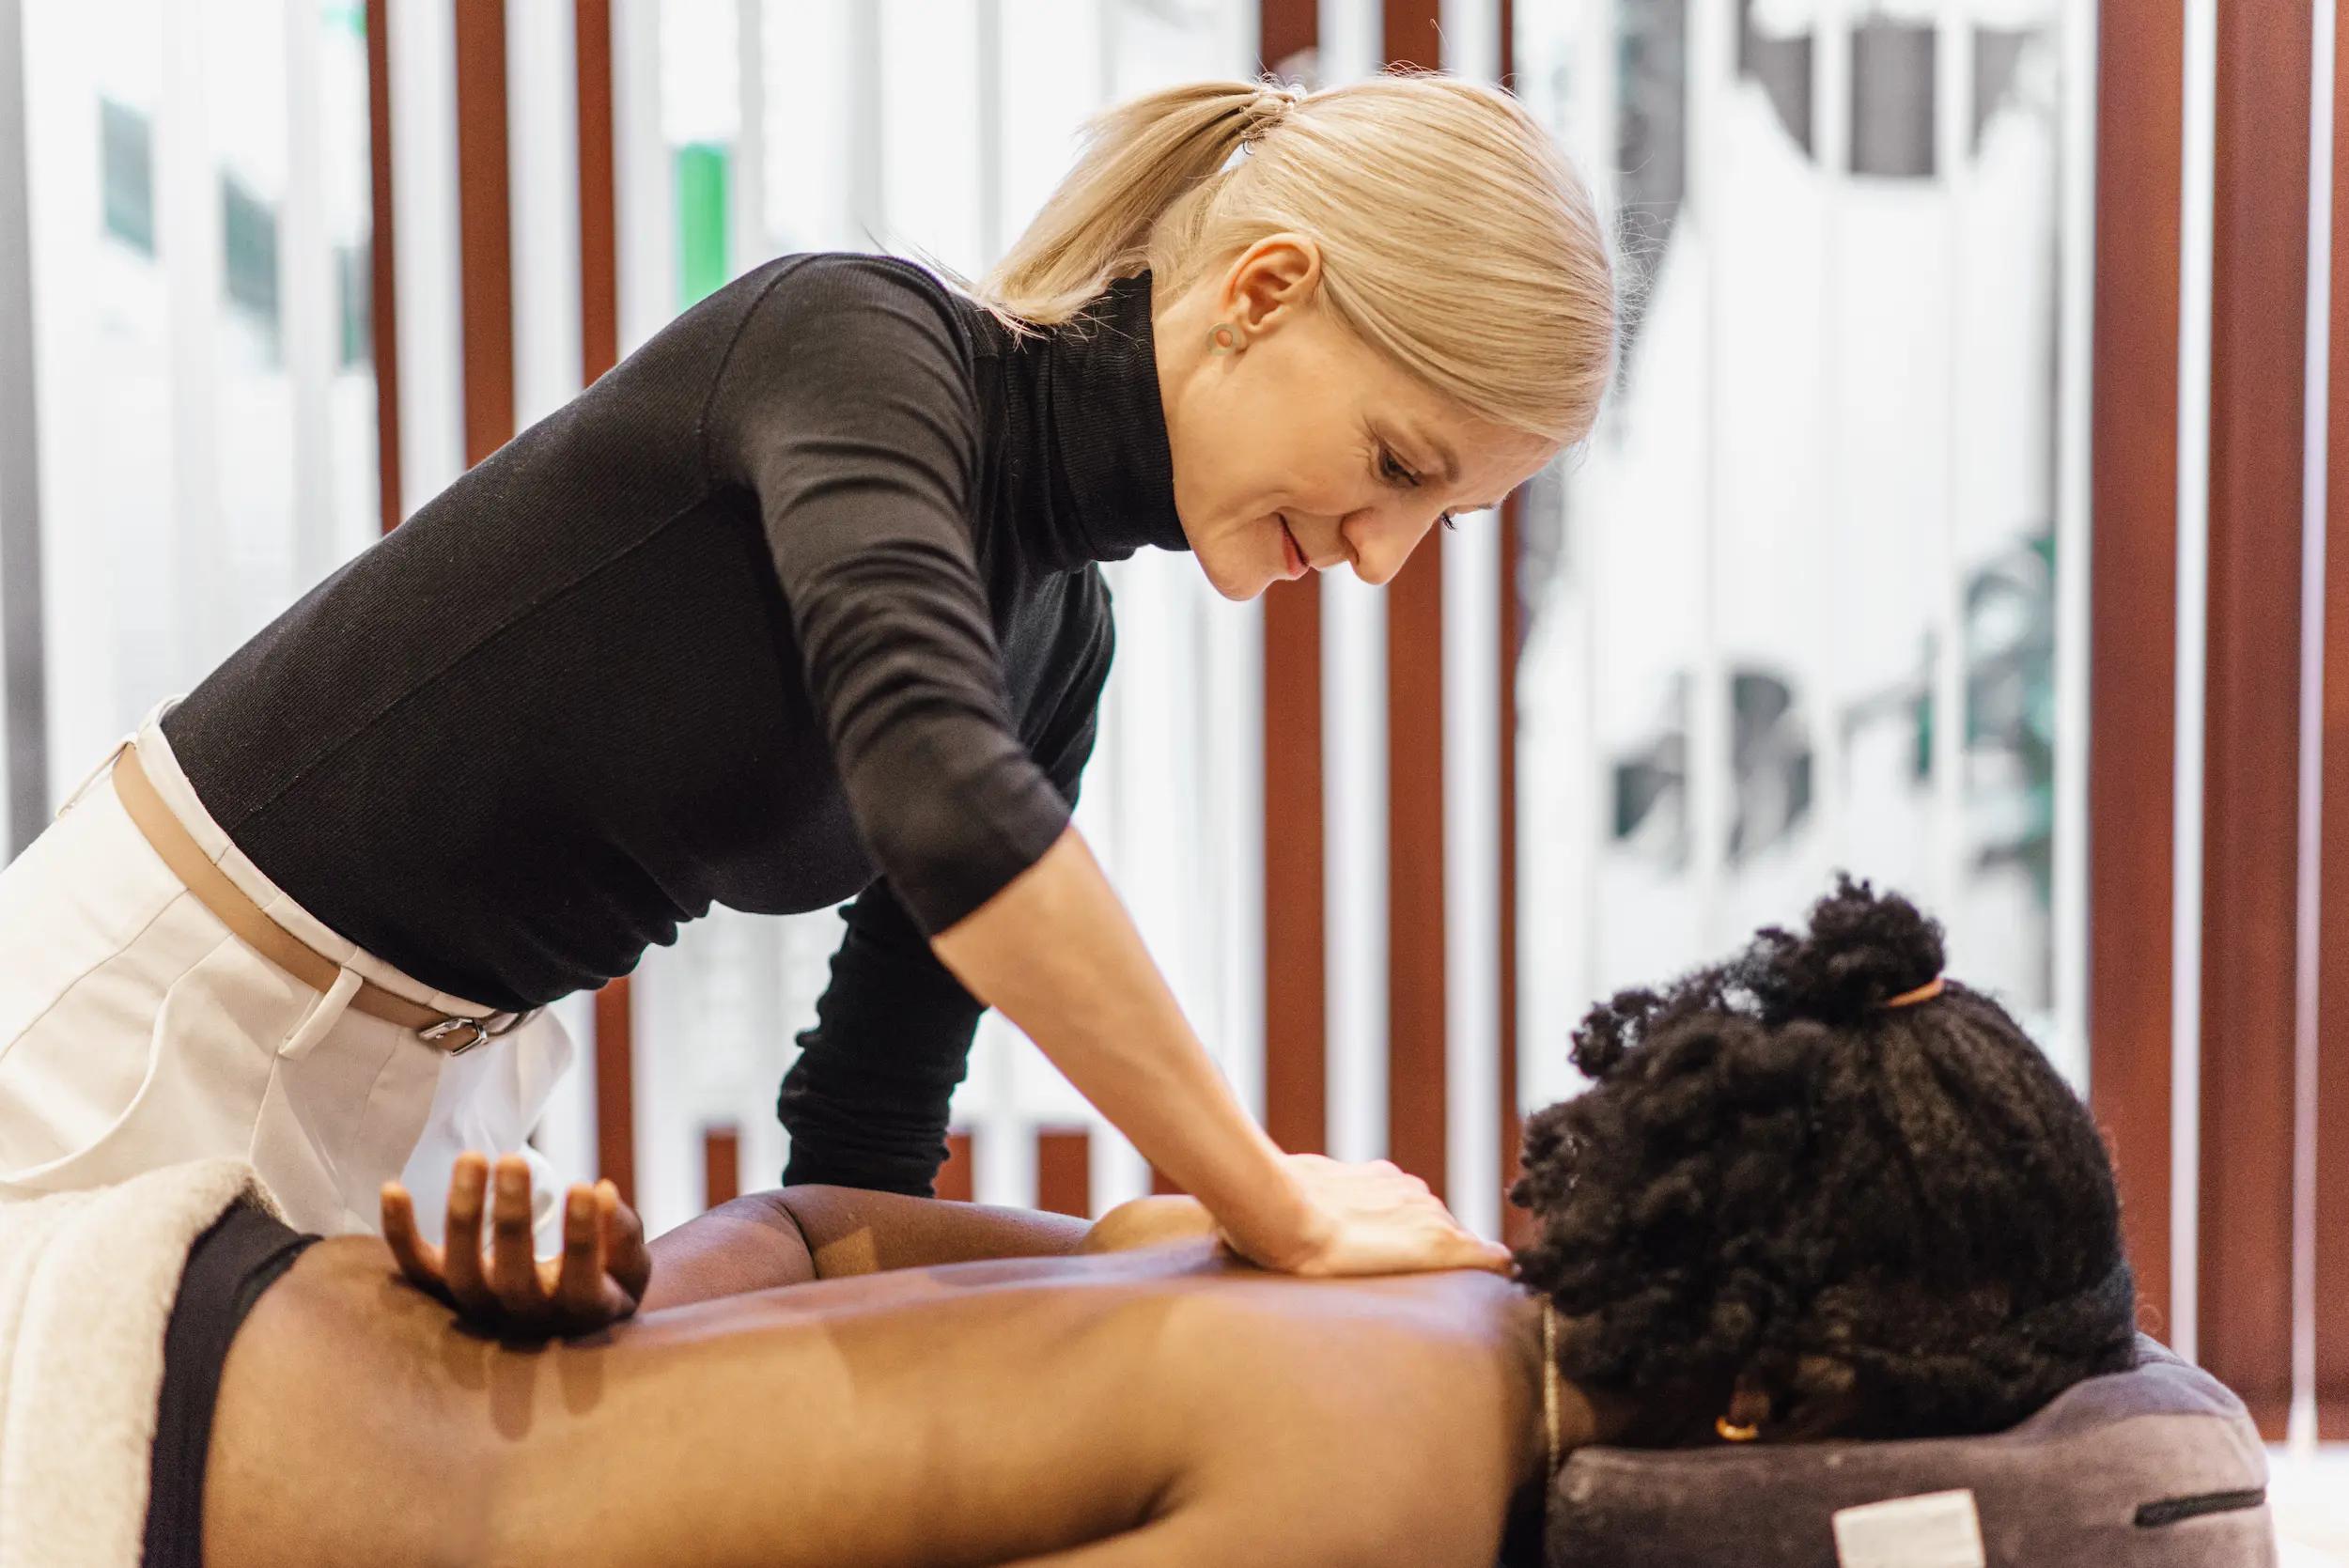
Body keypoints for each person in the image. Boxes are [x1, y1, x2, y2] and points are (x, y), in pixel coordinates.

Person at [0, 70, 1613, 1304]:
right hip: (150, 1026)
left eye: (1445, 515)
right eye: (1398, 465)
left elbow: (870, 1119)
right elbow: (939, 793)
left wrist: (1134, 1243)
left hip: (445, 1097)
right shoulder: (857, 345)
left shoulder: (1060, 643)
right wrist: (1267, 1196)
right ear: (1263, 289)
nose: (1387, 553)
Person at [143, 880, 2136, 1566]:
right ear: (1781, 1399)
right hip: (151, 1496)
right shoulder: (1410, 1471)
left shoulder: (1386, 1268)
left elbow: (827, 1228)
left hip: (224, 1324)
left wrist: (622, 1310)